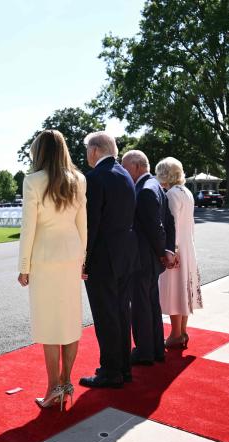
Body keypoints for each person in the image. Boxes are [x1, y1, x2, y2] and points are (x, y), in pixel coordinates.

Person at [18, 130, 87, 411]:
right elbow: (83, 224)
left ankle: (52, 388)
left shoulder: (33, 181)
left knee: (48, 324)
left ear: (40, 152)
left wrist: (23, 266)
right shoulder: (79, 179)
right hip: (71, 257)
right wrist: (83, 259)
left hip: (44, 259)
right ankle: (66, 383)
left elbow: (29, 227)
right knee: (70, 321)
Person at [79, 131, 139, 389]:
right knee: (121, 313)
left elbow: (91, 224)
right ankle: (123, 367)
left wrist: (84, 259)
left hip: (104, 258)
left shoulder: (95, 178)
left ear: (94, 150)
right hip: (125, 255)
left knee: (106, 317)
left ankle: (110, 371)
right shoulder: (125, 174)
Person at [121, 150, 176, 366]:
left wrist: (163, 252)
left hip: (142, 260)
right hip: (151, 259)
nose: (124, 172)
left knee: (142, 306)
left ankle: (144, 351)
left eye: (125, 168)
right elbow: (169, 222)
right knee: (151, 303)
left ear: (136, 166)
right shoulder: (156, 186)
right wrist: (166, 251)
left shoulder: (143, 190)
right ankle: (155, 349)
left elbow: (157, 228)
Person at [156, 158, 203, 349]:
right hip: (187, 245)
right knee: (184, 289)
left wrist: (172, 251)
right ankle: (182, 332)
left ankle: (176, 334)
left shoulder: (172, 194)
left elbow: (172, 224)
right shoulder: (187, 192)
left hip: (177, 248)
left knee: (175, 289)